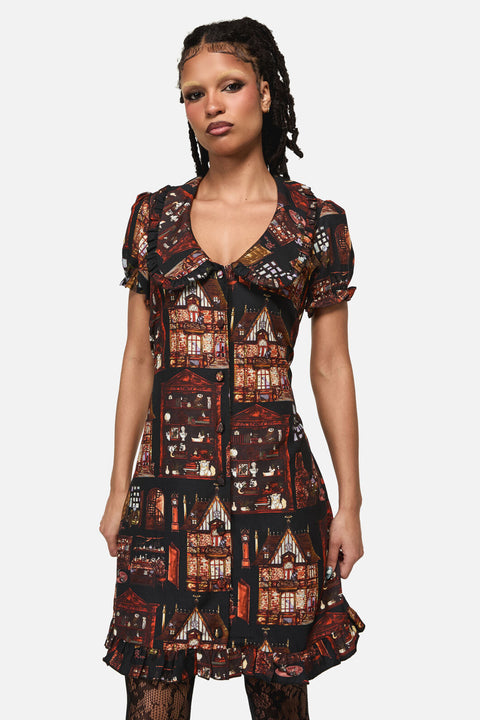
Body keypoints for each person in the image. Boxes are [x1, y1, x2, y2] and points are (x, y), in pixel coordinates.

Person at [99, 16, 365, 720]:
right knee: (151, 696)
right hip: (165, 499)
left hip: (278, 498)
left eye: (230, 85)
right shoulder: (155, 218)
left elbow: (331, 368)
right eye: (194, 94)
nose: (211, 105)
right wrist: (118, 488)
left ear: (266, 94)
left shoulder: (315, 224)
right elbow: (138, 358)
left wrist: (350, 504)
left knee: (280, 703)